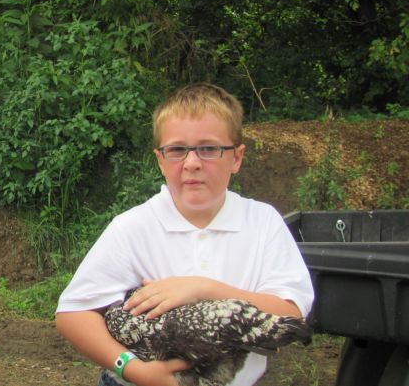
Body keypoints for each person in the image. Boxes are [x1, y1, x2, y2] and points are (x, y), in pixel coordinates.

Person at [55, 83, 314, 386]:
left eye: (208, 148)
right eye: (177, 150)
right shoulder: (133, 227)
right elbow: (73, 312)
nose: (192, 163)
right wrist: (134, 369)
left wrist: (203, 289)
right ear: (160, 160)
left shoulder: (262, 222)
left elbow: (290, 313)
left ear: (237, 158)